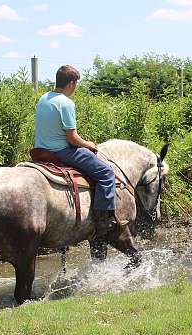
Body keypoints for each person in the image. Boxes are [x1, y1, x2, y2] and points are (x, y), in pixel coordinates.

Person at [34, 65, 116, 238]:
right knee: (106, 173)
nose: (75, 88)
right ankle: (103, 222)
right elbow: (72, 139)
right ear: (71, 83)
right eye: (76, 84)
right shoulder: (66, 103)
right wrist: (89, 144)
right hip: (62, 151)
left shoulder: (43, 98)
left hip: (41, 151)